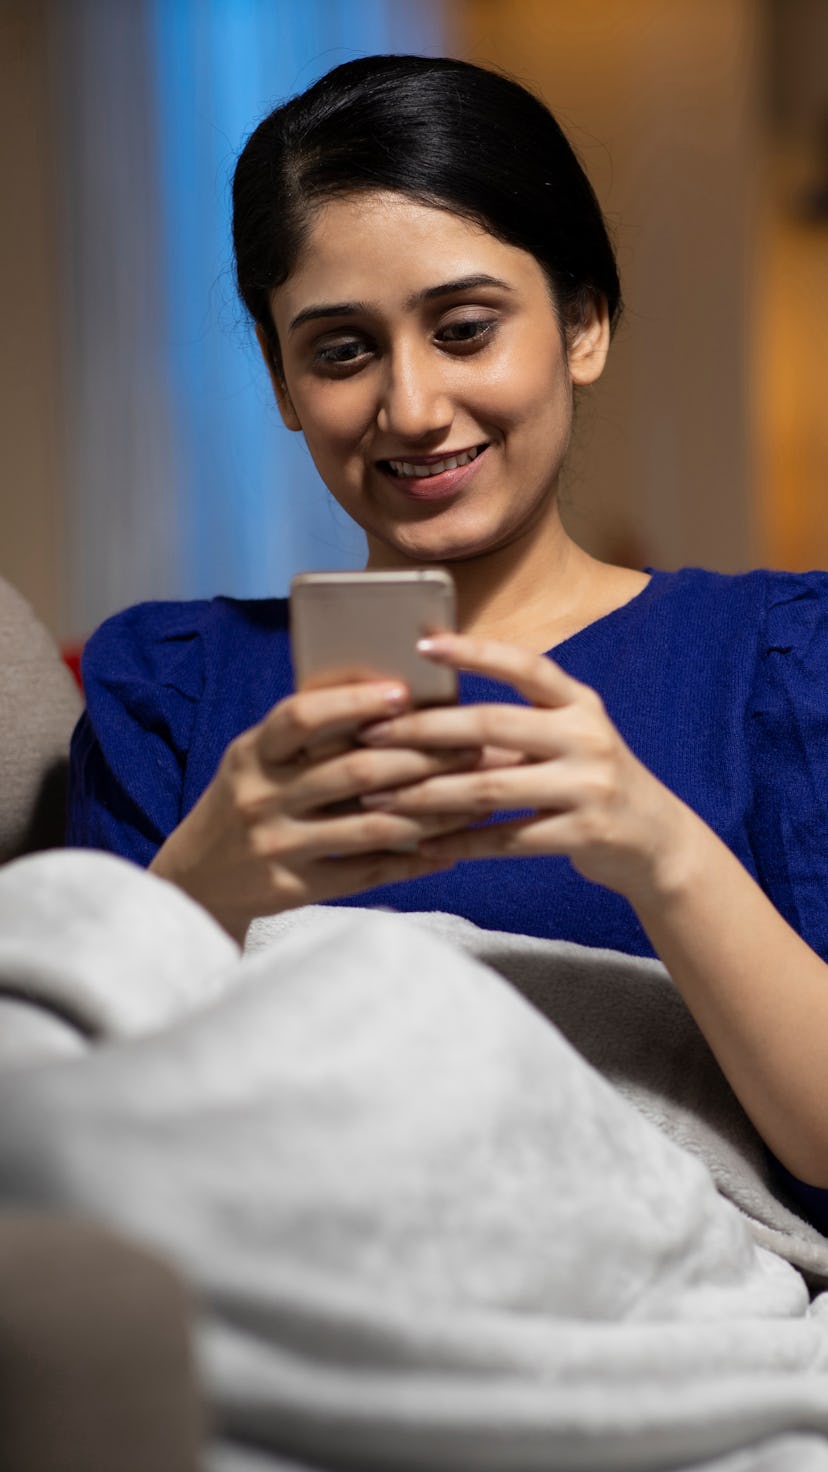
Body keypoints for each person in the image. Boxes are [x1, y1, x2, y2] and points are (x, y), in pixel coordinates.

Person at [67, 54, 828, 1227]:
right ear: (281, 381)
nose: (412, 407)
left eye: (466, 329)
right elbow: (66, 1138)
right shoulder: (170, 684)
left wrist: (657, 845)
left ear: (584, 323)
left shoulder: (771, 661)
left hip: (665, 1322)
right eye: (340, 351)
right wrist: (205, 879)